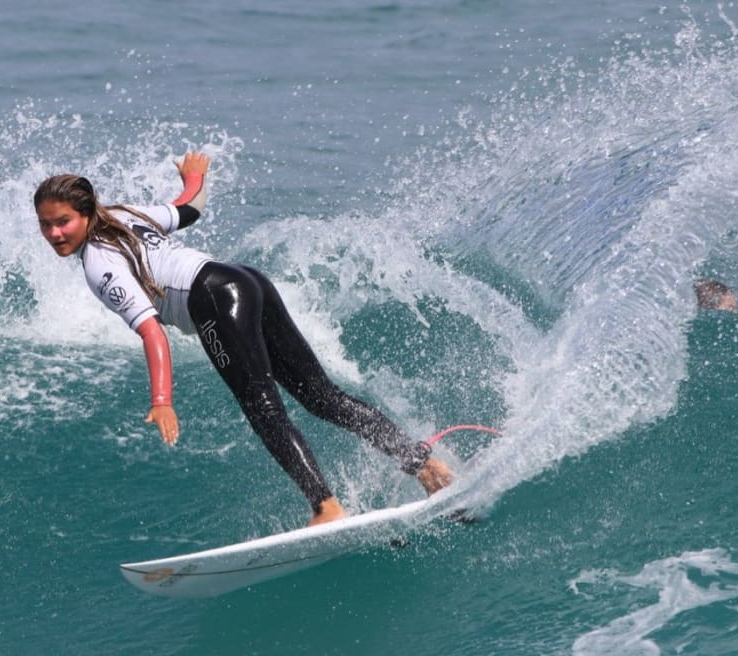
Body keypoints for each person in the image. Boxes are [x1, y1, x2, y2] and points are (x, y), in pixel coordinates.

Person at [34, 152, 452, 526]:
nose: (54, 234)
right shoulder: (126, 214)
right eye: (46, 225)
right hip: (246, 281)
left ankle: (326, 507)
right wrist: (194, 179)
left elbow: (150, 331)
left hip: (214, 301)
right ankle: (426, 466)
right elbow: (188, 210)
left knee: (263, 407)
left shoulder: (98, 265)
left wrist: (161, 401)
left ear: (86, 213)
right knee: (322, 397)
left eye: (63, 222)